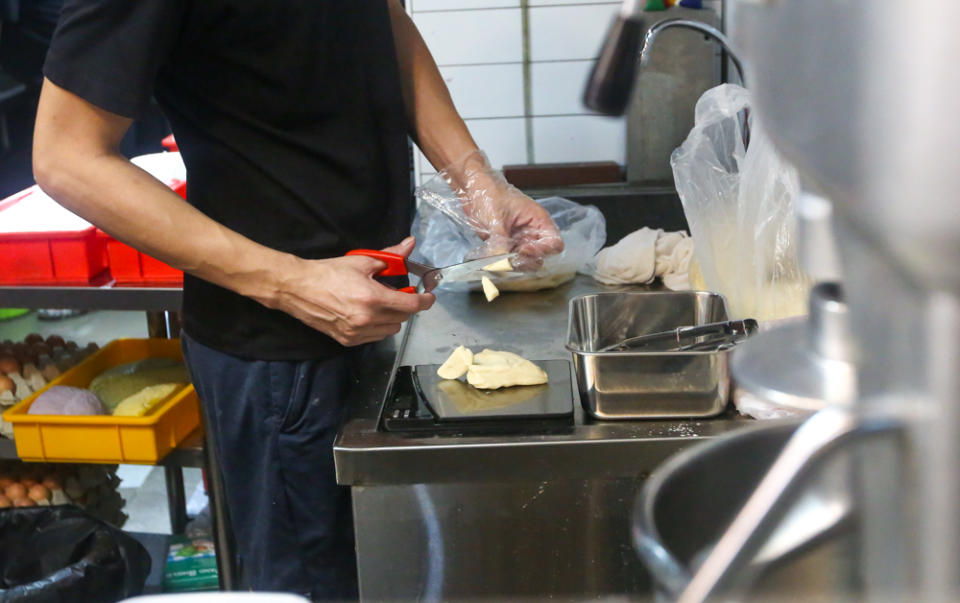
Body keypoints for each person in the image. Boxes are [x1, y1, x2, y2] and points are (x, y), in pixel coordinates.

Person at [32, 1, 562, 599]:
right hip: (277, 356)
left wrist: (476, 182)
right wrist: (290, 283)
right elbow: (66, 157)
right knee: (309, 585)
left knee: (380, 570)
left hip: (372, 310)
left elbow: (385, 22)